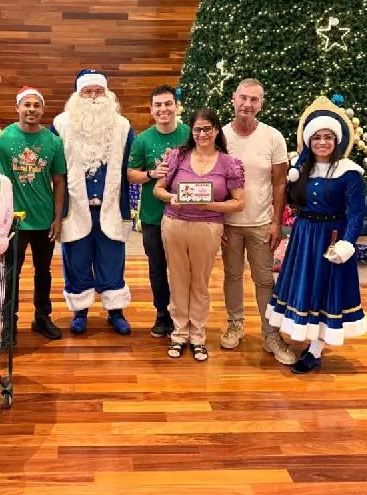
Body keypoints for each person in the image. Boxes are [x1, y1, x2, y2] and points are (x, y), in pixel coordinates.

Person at [265, 97, 367, 374]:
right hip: (304, 236)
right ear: (309, 141)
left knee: (325, 290)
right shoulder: (302, 170)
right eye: (316, 137)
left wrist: (347, 243)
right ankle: (305, 334)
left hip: (330, 238)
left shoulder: (350, 173)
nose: (322, 142)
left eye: (328, 137)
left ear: (337, 140)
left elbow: (356, 213)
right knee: (305, 286)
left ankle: (316, 349)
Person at [153, 109, 245, 361]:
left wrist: (209, 205)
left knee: (200, 283)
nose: (202, 134)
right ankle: (179, 333)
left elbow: (239, 203)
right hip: (174, 224)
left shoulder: (229, 163)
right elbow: (158, 189)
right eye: (197, 129)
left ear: (216, 130)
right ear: (191, 131)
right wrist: (172, 197)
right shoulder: (178, 156)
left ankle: (197, 336)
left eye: (207, 129)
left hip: (208, 227)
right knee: (177, 279)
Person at [52, 69, 135, 336]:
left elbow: (132, 166)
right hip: (75, 208)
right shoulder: (61, 125)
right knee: (76, 261)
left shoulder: (122, 127)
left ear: (107, 94)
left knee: (112, 260)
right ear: (77, 95)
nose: (93, 97)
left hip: (110, 207)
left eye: (98, 91)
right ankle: (80, 310)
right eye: (87, 92)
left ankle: (115, 311)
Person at [220, 78, 295, 365]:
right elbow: (212, 178)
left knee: (264, 279)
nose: (247, 104)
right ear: (234, 99)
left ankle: (270, 333)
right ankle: (235, 324)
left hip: (261, 223)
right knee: (232, 275)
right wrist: (216, 219)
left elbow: (279, 183)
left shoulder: (273, 137)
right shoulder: (221, 136)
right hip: (229, 223)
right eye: (243, 98)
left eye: (254, 99)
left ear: (261, 104)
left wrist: (276, 222)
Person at [0, 87, 66, 340]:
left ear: (42, 110)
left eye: (37, 105)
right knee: (11, 273)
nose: (31, 109)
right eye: (27, 104)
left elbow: (59, 181)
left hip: (44, 220)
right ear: (17, 108)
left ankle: (42, 317)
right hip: (14, 221)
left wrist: (57, 219)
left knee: (43, 272)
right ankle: (9, 322)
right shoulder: (2, 139)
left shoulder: (53, 142)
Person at [127, 85, 190, 337]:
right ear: (151, 110)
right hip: (153, 216)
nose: (163, 109)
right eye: (158, 105)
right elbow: (131, 175)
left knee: (183, 267)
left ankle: (182, 313)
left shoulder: (189, 134)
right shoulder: (142, 140)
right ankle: (162, 313)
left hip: (186, 215)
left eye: (168, 104)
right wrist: (152, 174)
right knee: (157, 266)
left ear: (176, 106)